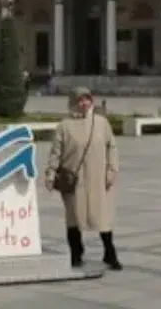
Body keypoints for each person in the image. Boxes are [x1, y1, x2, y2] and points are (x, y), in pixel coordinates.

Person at [44, 86, 122, 271]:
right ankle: (76, 253)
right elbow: (56, 152)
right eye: (80, 100)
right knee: (74, 218)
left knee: (103, 217)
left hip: (98, 179)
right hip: (74, 180)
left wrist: (112, 169)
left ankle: (110, 253)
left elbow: (112, 146)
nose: (84, 103)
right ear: (73, 102)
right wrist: (50, 174)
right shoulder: (64, 126)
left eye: (87, 99)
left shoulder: (101, 123)